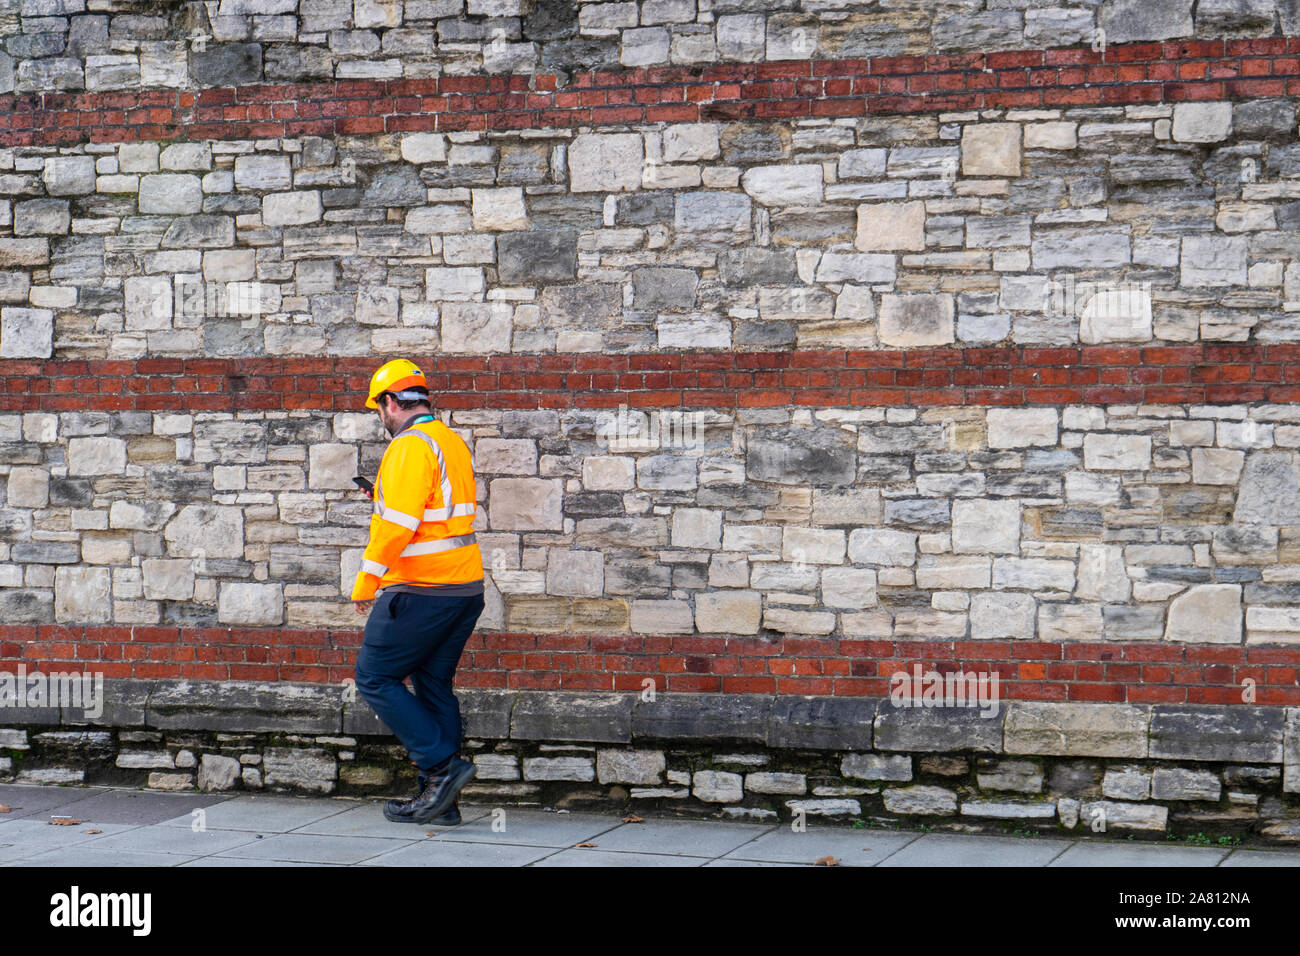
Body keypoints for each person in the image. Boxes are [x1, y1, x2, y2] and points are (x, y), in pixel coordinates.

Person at [350, 358, 483, 824]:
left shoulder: (408, 446)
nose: (381, 418)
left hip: (422, 589)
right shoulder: (447, 439)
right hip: (464, 588)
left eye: (378, 408)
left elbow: (398, 526)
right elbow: (435, 513)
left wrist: (366, 581)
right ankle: (444, 802)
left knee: (374, 677)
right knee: (432, 686)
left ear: (390, 402)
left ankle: (443, 769)